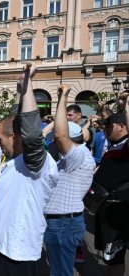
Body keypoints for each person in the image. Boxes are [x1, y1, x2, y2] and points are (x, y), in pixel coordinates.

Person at [0, 65, 58, 276]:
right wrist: (20, 90)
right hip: (2, 248)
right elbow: (15, 120)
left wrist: (28, 87)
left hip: (18, 255)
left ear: (15, 138)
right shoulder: (15, 160)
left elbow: (30, 131)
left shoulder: (35, 164)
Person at [43, 84, 95, 276]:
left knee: (60, 272)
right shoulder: (80, 153)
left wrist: (63, 97)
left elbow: (59, 133)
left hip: (63, 223)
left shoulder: (76, 156)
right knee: (59, 269)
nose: (56, 142)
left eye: (59, 141)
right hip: (64, 221)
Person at [91, 94, 129, 276]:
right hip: (106, 208)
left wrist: (126, 105)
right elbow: (108, 121)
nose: (105, 129)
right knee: (110, 256)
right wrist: (103, 109)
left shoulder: (126, 145)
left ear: (123, 127)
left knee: (115, 256)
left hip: (119, 211)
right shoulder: (115, 143)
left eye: (110, 127)